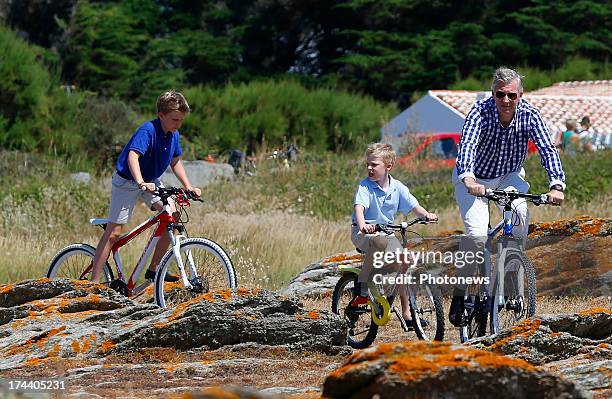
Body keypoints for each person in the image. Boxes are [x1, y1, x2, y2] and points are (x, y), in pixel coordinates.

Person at [449, 67, 566, 326]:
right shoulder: (480, 112)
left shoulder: (530, 115)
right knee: (477, 236)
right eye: (500, 94)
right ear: (493, 93)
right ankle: (461, 292)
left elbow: (547, 149)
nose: (506, 101)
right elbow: (466, 144)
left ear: (520, 95)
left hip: (508, 175)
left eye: (511, 95)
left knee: (521, 213)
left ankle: (511, 274)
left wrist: (557, 185)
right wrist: (468, 178)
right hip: (474, 178)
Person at [90, 90, 202, 283]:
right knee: (114, 232)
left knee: (172, 215)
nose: (178, 124)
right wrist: (141, 182)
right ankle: (93, 283)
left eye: (181, 120)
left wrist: (188, 186)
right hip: (128, 181)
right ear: (161, 115)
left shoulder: (173, 134)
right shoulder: (147, 130)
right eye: (175, 119)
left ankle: (154, 269)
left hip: (150, 181)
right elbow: (133, 156)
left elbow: (175, 161)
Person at [351, 142, 437, 325]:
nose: (369, 168)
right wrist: (363, 225)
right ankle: (362, 286)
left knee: (405, 262)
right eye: (368, 164)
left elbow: (414, 206)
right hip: (363, 232)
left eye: (374, 165)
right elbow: (359, 208)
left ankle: (407, 314)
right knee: (379, 242)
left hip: (386, 233)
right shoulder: (365, 186)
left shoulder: (397, 187)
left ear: (388, 167)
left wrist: (426, 215)